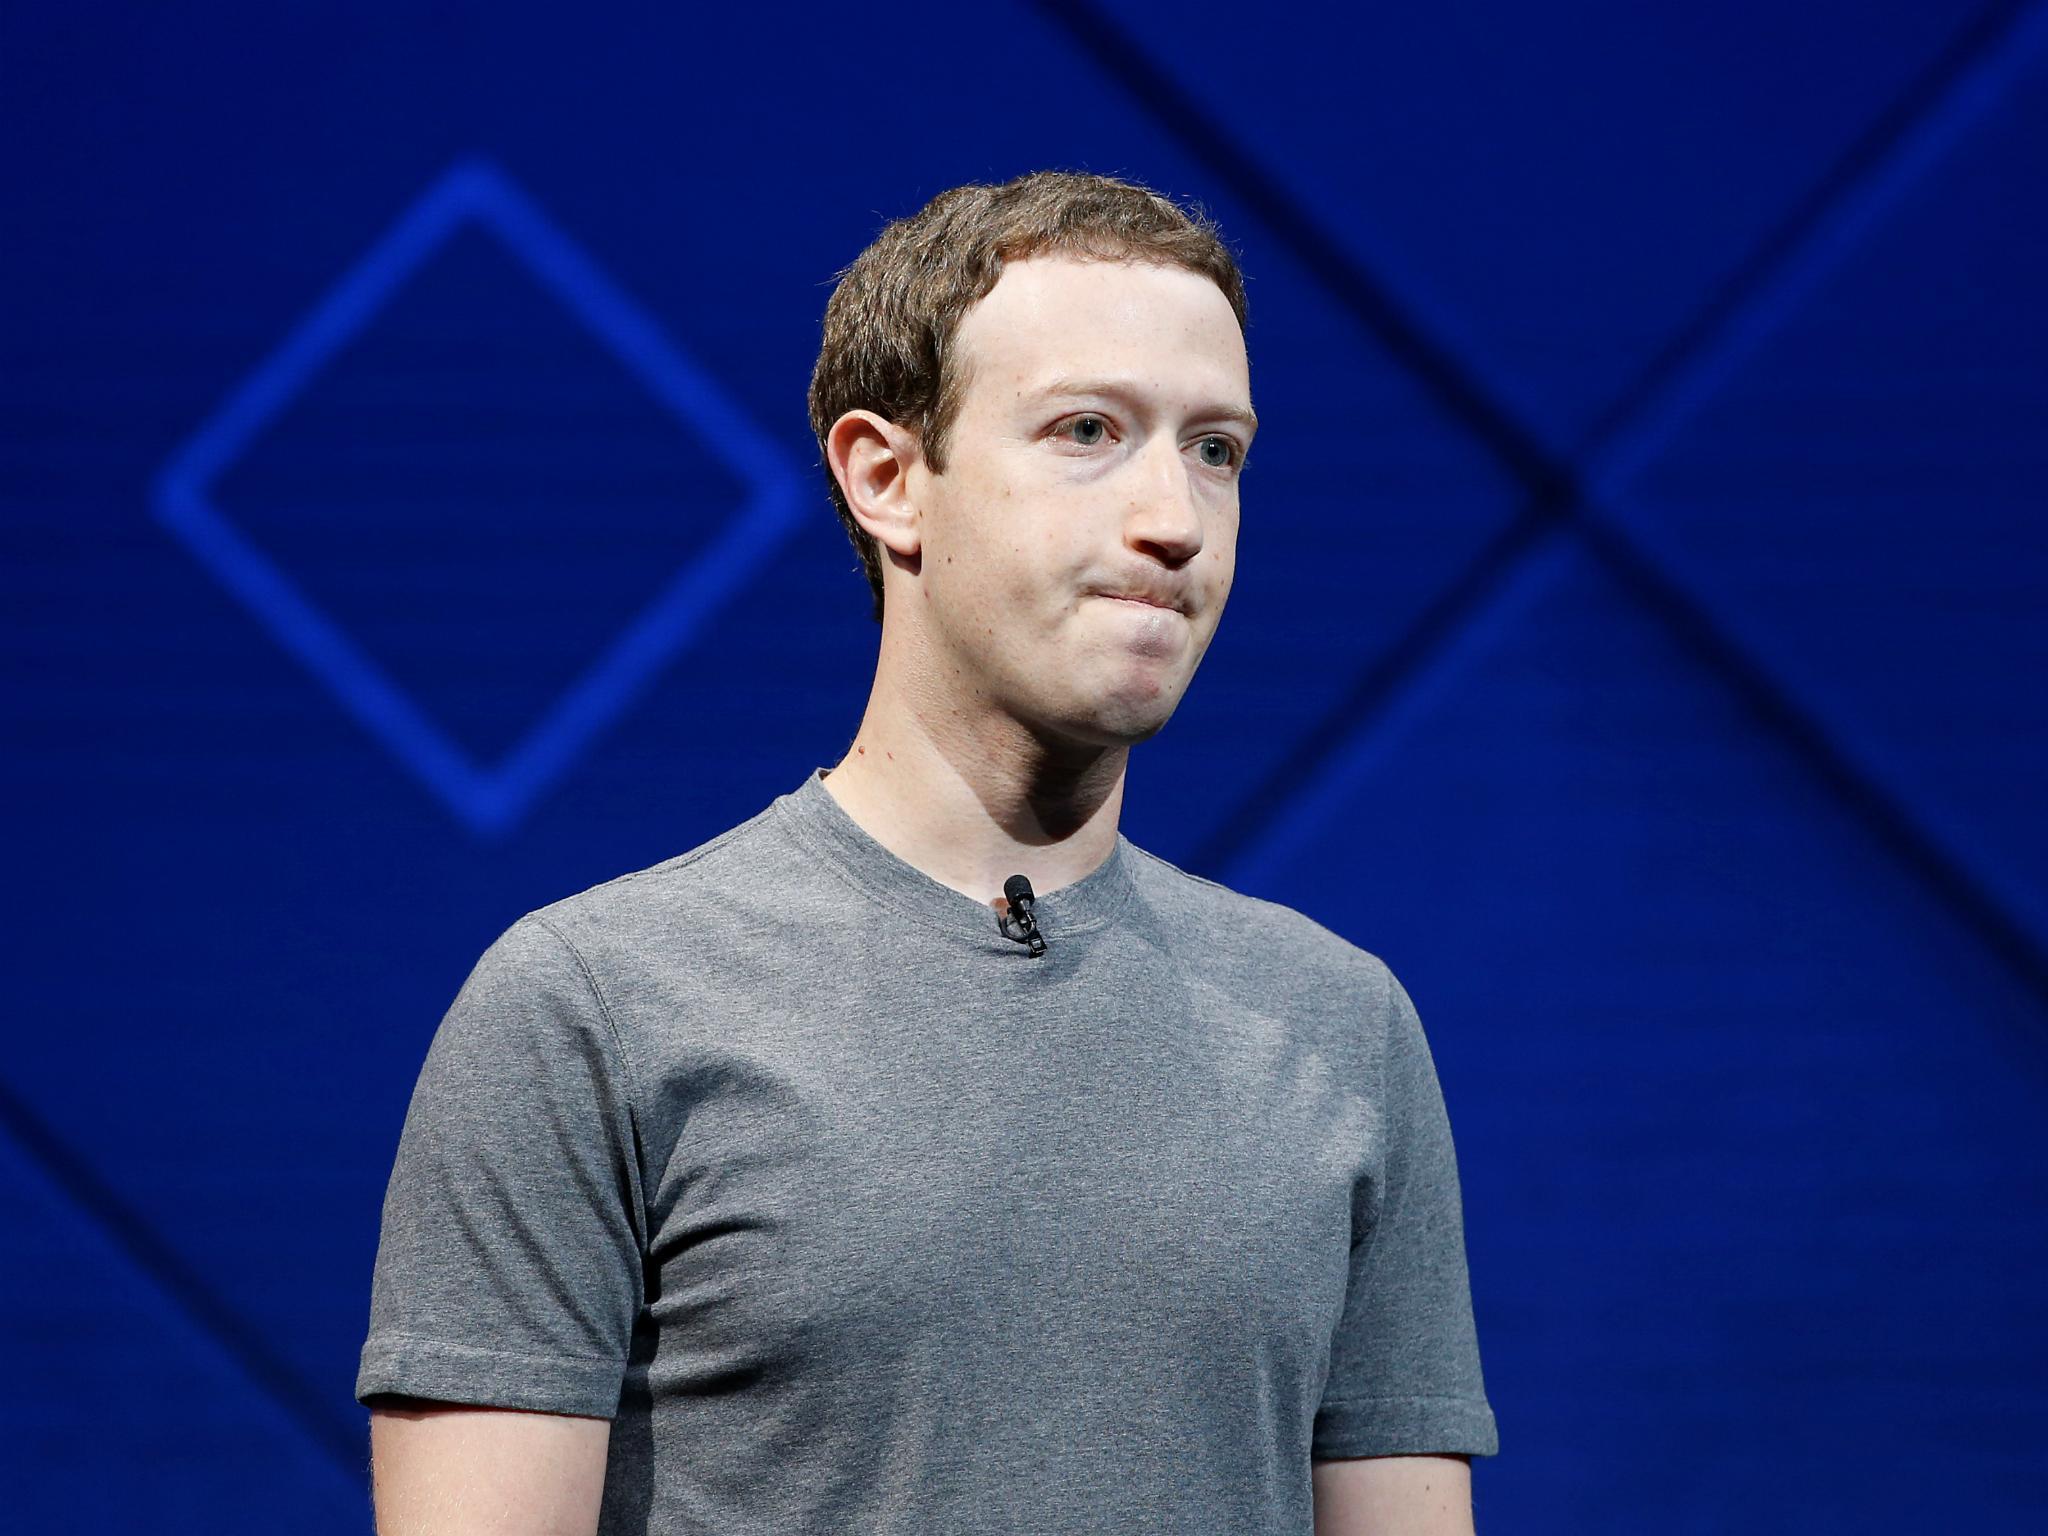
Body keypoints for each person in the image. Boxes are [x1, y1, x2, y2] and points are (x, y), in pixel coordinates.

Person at [357, 169, 1498, 1535]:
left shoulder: (1338, 1026)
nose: (1176, 521)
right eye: (1089, 430)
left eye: (1217, 450)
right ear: (888, 478)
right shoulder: (592, 1008)